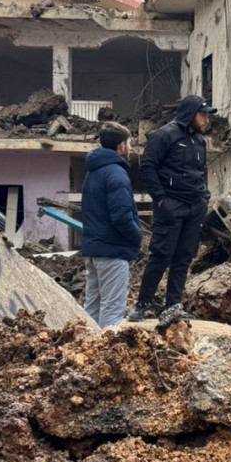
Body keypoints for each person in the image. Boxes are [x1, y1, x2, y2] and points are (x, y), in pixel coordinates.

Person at [128, 95, 216, 321]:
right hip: (171, 205)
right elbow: (147, 167)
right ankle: (142, 304)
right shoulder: (163, 136)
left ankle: (173, 306)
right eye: (203, 115)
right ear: (191, 114)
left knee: (184, 257)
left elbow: (202, 171)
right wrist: (160, 199)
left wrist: (204, 198)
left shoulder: (199, 141)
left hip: (195, 206)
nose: (207, 120)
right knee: (161, 255)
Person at [81, 121, 141, 328]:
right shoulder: (116, 173)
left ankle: (85, 345)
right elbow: (121, 217)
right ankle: (105, 347)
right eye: (129, 143)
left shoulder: (93, 172)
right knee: (112, 312)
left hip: (93, 250)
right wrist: (137, 237)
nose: (131, 148)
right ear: (121, 146)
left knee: (92, 308)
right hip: (112, 251)